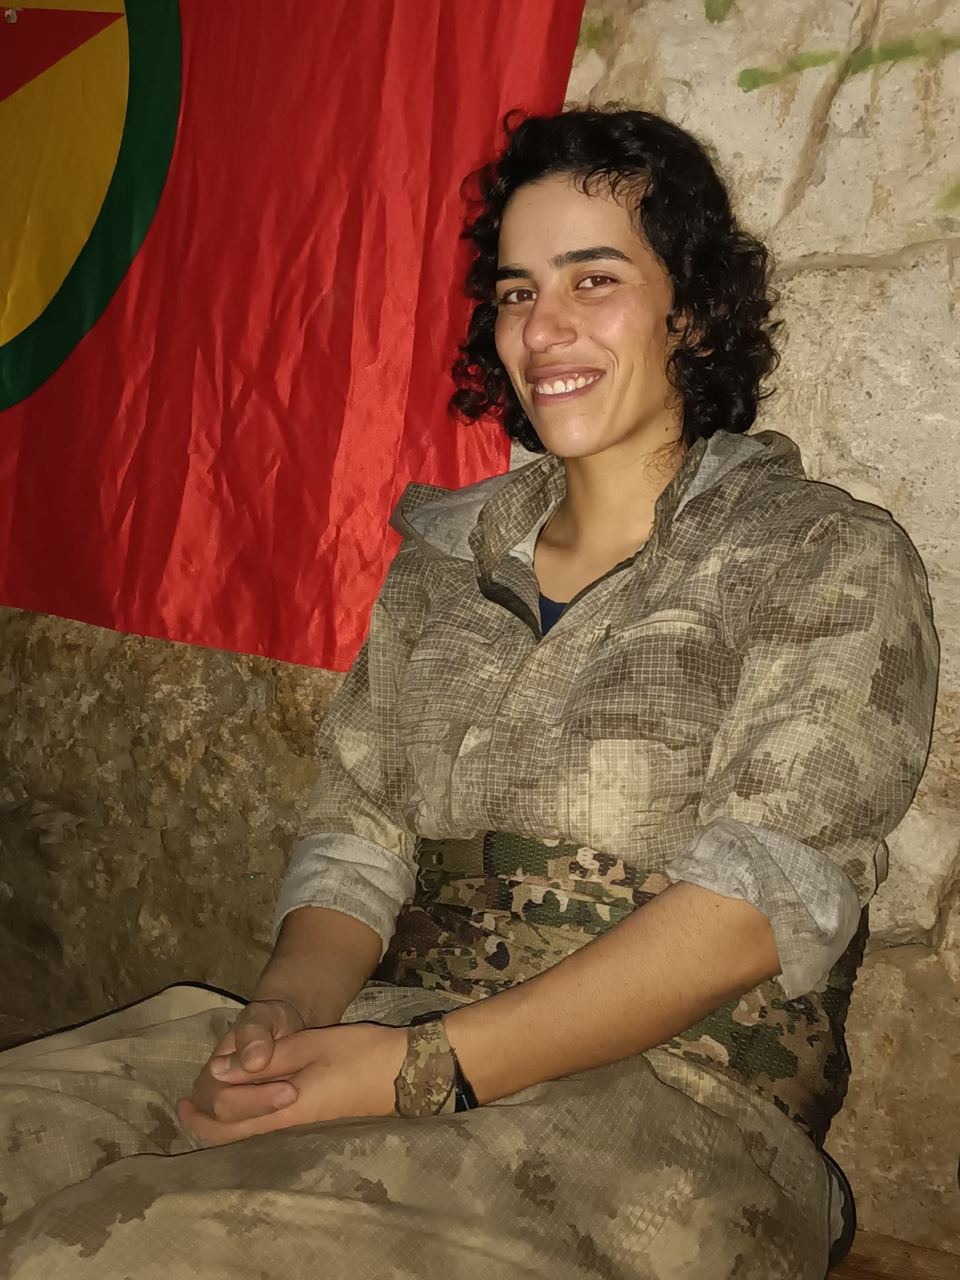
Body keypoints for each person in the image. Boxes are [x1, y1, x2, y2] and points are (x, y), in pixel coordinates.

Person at [0, 108, 938, 1279]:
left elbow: (758, 900)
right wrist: (288, 1014)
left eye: (594, 279)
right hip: (391, 1033)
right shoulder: (443, 567)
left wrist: (425, 1068)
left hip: (675, 1107)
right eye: (515, 291)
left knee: (111, 1253)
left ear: (690, 310)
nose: (543, 327)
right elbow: (359, 833)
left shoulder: (817, 553)